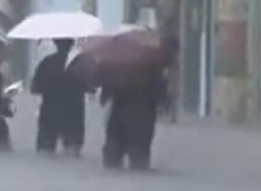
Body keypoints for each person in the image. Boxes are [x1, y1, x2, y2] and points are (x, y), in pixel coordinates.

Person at [101, 37, 176, 170]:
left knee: (112, 157)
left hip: (118, 118)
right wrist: (166, 104)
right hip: (141, 119)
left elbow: (107, 85)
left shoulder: (120, 64)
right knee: (139, 159)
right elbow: (160, 92)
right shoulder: (154, 66)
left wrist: (105, 95)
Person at [32, 38, 88, 156]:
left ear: (55, 43)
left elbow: (35, 88)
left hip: (50, 110)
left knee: (45, 150)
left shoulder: (47, 62)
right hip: (74, 111)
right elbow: (89, 86)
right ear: (72, 45)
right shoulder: (79, 63)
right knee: (72, 150)